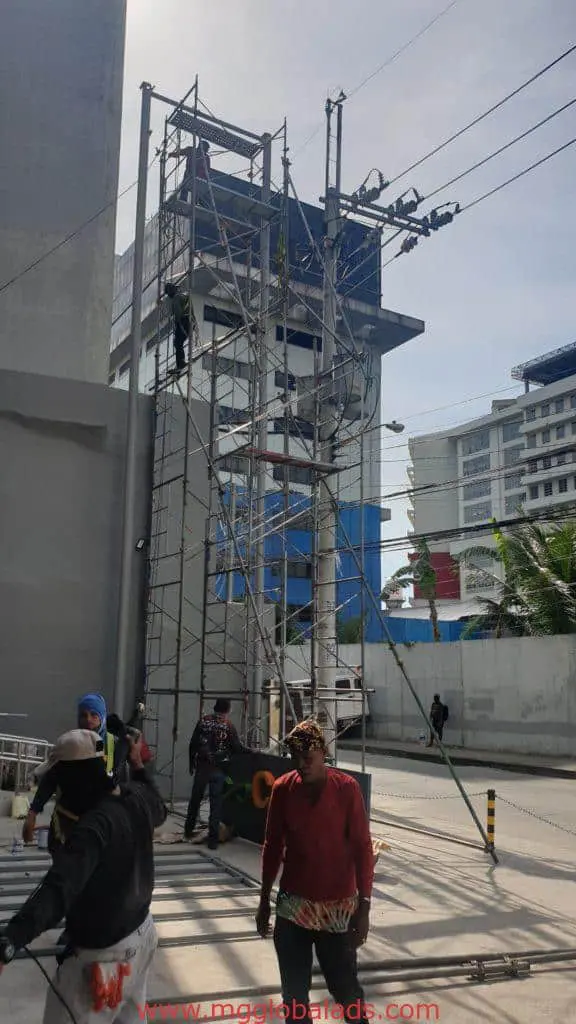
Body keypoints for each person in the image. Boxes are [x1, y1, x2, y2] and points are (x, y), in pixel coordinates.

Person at [0, 728, 167, 1023]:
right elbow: (159, 807)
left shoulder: (92, 829)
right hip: (142, 938)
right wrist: (138, 765)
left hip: (103, 961)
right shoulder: (134, 797)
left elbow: (58, 890)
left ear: (72, 778)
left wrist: (11, 939)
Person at [256, 720, 374, 1024]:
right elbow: (272, 846)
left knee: (346, 990)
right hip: (293, 907)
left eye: (308, 758)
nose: (302, 765)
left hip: (337, 908)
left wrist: (364, 908)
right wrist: (264, 900)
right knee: (294, 997)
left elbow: (363, 848)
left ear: (323, 752)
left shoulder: (347, 790)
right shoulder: (283, 789)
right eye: (295, 758)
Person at [23, 693, 131, 852]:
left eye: (94, 715)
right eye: (83, 715)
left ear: (102, 717)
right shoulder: (71, 745)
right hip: (68, 825)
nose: (88, 720)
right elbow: (51, 778)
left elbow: (122, 785)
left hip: (101, 824)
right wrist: (33, 813)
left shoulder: (114, 745)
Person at [184, 698, 249, 848]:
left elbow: (193, 744)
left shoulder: (203, 721)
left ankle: (188, 830)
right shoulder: (228, 726)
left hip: (202, 768)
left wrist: (191, 764)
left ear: (214, 708)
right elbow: (237, 748)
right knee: (215, 804)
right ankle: (213, 841)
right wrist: (252, 751)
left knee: (195, 800)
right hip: (218, 769)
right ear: (228, 710)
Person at [164, 282, 190, 374]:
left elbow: (177, 313)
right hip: (188, 321)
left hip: (183, 321)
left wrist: (179, 325)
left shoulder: (176, 298)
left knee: (178, 342)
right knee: (178, 342)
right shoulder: (182, 295)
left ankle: (181, 363)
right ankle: (181, 363)